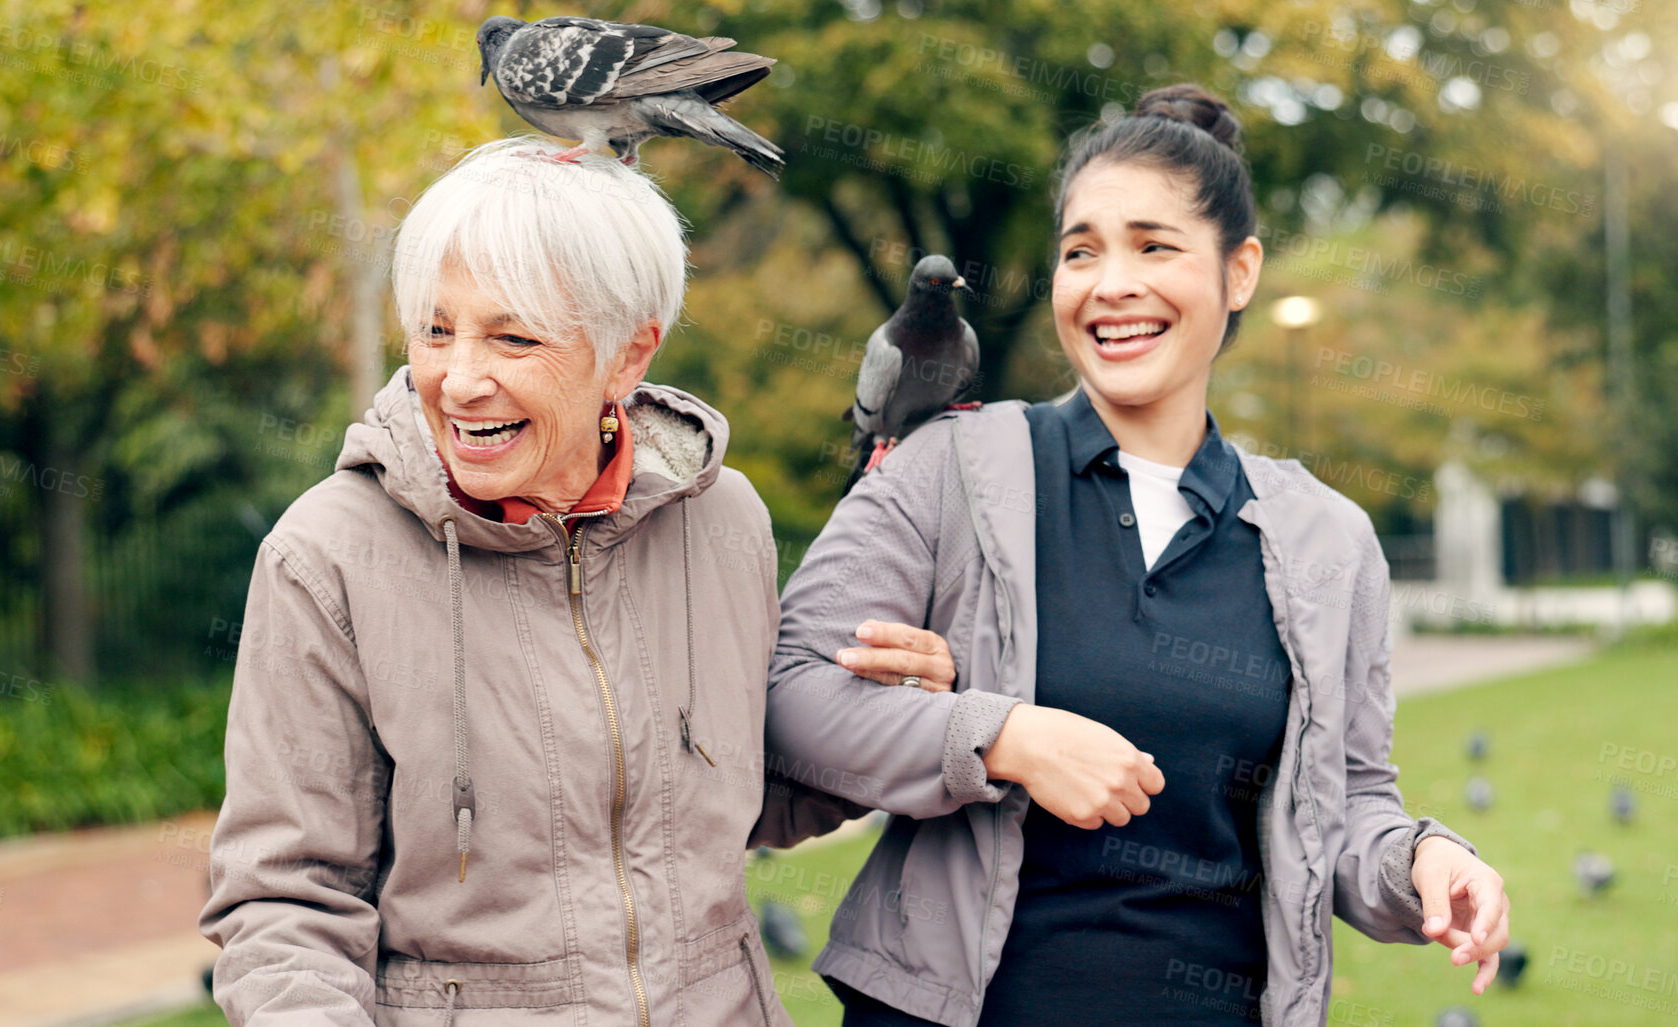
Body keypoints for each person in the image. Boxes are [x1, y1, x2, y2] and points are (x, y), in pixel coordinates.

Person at [765, 85, 1512, 1026]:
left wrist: (1421, 861)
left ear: (1239, 273)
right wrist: (1003, 736)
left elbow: (1347, 799)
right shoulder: (947, 465)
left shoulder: (1329, 539)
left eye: (1153, 246)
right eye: (1081, 252)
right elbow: (789, 695)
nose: (1110, 283)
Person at [199, 137, 864, 1026]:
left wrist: (886, 707)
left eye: (512, 337)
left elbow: (747, 797)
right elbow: (285, 903)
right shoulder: (324, 555)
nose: (460, 378)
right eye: (436, 329)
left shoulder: (723, 518)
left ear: (627, 359)